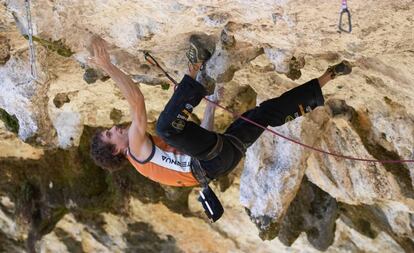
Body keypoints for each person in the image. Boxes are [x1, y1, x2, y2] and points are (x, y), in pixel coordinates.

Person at [89, 36, 352, 189]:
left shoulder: (149, 163)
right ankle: (195, 64)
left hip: (223, 158)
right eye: (110, 135)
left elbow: (200, 147)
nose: (115, 129)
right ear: (116, 150)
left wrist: (211, 107)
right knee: (165, 127)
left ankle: (329, 76)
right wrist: (107, 65)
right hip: (210, 159)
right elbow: (136, 100)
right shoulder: (136, 149)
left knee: (264, 114)